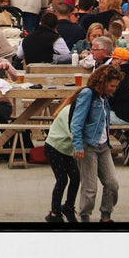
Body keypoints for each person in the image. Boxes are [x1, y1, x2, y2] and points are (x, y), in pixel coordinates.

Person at [71, 62, 122, 223]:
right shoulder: (88, 94)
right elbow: (76, 122)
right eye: (112, 86)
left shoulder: (104, 97)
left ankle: (105, 215)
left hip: (103, 145)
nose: (113, 89)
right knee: (90, 187)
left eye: (115, 86)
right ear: (103, 82)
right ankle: (85, 216)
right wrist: (78, 145)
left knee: (112, 183)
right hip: (88, 145)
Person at [43, 87, 83, 224]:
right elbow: (73, 133)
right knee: (62, 179)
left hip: (65, 150)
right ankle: (54, 213)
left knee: (76, 177)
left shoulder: (80, 112)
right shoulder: (68, 112)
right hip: (54, 147)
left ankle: (68, 207)